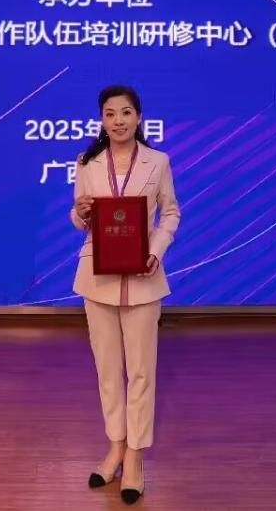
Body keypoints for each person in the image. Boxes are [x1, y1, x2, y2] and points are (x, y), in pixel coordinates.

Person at [70, 84, 180, 505]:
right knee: (107, 371)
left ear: (139, 117)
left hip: (142, 277)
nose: (118, 121)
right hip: (96, 277)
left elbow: (171, 212)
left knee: (141, 373)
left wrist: (155, 250)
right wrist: (80, 213)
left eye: (126, 113)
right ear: (102, 120)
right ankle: (115, 447)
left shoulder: (158, 161)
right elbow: (80, 217)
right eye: (110, 114)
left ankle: (135, 457)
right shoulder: (87, 162)